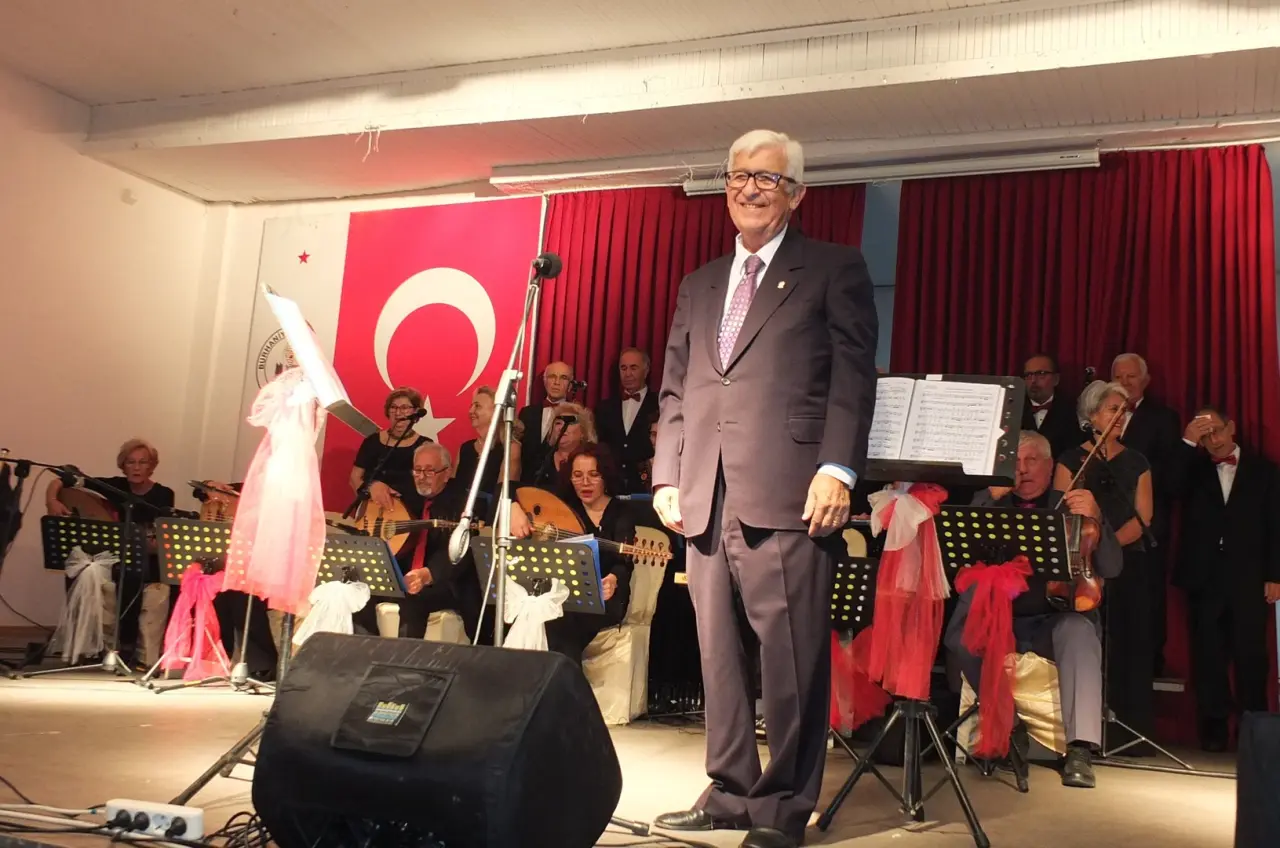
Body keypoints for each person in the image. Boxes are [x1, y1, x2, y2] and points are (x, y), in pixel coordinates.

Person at [651, 129, 878, 848]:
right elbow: (676, 388)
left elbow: (853, 377)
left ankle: (782, 806)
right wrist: (666, 472)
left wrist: (838, 469)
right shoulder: (699, 282)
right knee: (717, 653)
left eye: (767, 178)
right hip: (703, 490)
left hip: (790, 489)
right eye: (738, 175)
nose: (750, 188)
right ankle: (729, 790)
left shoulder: (834, 268)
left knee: (790, 659)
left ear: (797, 193)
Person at [946, 432, 1122, 789]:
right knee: (962, 634)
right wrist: (990, 498)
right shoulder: (991, 503)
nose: (1023, 470)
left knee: (1079, 631)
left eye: (1032, 461)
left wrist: (1098, 518)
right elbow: (960, 557)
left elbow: (1112, 567)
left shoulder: (1070, 506)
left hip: (1053, 619)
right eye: (1015, 462)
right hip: (1002, 620)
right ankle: (1009, 728)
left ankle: (1079, 749)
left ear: (1050, 465)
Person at [1054, 380, 1155, 752]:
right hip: (1081, 565)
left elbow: (1143, 518)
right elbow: (1063, 515)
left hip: (1128, 562)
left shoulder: (1137, 461)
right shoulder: (1071, 460)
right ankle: (1082, 732)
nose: (1120, 417)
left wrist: (1107, 547)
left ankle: (1128, 734)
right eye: (1113, 410)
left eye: (1124, 411)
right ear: (1092, 415)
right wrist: (1091, 552)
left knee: (1130, 644)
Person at [1173, 407, 1280, 751]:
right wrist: (1187, 443)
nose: (1214, 440)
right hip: (1204, 575)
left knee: (1251, 654)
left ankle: (1254, 729)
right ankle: (1214, 730)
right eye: (1205, 436)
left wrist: (1275, 575)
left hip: (1249, 575)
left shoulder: (1264, 471)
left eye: (1217, 431)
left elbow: (1276, 524)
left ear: (1231, 427)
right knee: (1208, 655)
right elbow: (1168, 488)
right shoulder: (1193, 470)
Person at [45, 438, 177, 667]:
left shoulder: (163, 494)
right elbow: (61, 479)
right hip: (116, 555)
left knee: (133, 573)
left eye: (143, 462)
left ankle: (126, 646)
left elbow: (159, 533)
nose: (136, 468)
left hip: (147, 557)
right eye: (130, 462)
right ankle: (84, 644)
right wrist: (52, 501)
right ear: (123, 466)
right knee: (79, 570)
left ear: (152, 466)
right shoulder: (114, 486)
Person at [1112, 352, 1181, 676]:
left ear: (1146, 381)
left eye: (1131, 376)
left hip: (1147, 523)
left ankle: (1149, 663)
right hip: (1106, 522)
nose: (1124, 382)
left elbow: (1167, 473)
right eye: (1118, 376)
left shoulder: (1162, 418)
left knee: (1147, 595)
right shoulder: (1100, 416)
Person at [539, 444, 634, 661]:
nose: (585, 482)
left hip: (606, 596)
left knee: (562, 619)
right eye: (577, 475)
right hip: (567, 593)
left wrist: (614, 578)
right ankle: (567, 680)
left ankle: (564, 681)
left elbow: (624, 561)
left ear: (605, 477)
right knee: (553, 616)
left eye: (594, 474)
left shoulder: (621, 511)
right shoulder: (564, 508)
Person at [400, 443, 481, 642]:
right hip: (406, 576)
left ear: (447, 473)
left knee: (413, 600)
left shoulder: (465, 503)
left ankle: (404, 658)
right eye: (417, 470)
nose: (421, 477)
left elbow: (462, 550)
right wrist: (374, 486)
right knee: (361, 593)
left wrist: (428, 574)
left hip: (449, 582)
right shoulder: (407, 497)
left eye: (429, 471)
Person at [349, 387, 431, 517]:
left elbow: (428, 486)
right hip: (372, 513)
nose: (398, 413)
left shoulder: (425, 445)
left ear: (415, 412)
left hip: (408, 515)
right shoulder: (372, 441)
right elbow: (355, 478)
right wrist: (372, 489)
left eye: (405, 408)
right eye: (393, 407)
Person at [596, 348, 659, 493]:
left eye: (633, 368)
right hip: (611, 487)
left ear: (646, 371)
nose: (628, 374)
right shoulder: (604, 408)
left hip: (646, 487)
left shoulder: (660, 405)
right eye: (623, 368)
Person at [454, 385, 523, 501]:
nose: (471, 411)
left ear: (497, 411)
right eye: (471, 406)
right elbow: (452, 489)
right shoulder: (465, 448)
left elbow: (503, 495)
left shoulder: (510, 448)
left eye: (477, 406)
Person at [518, 361, 575, 482]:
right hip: (527, 481)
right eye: (552, 376)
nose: (556, 382)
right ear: (544, 381)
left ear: (570, 385)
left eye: (563, 378)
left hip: (559, 482)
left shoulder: (576, 415)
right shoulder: (527, 413)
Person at [1019, 353, 1081, 461]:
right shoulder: (1013, 408)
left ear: (1056, 379)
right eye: (1028, 375)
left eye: (1041, 374)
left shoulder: (1073, 409)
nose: (1033, 380)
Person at [525, 402, 595, 488]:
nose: (562, 427)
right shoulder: (540, 461)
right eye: (558, 423)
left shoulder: (592, 459)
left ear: (583, 432)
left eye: (570, 423)